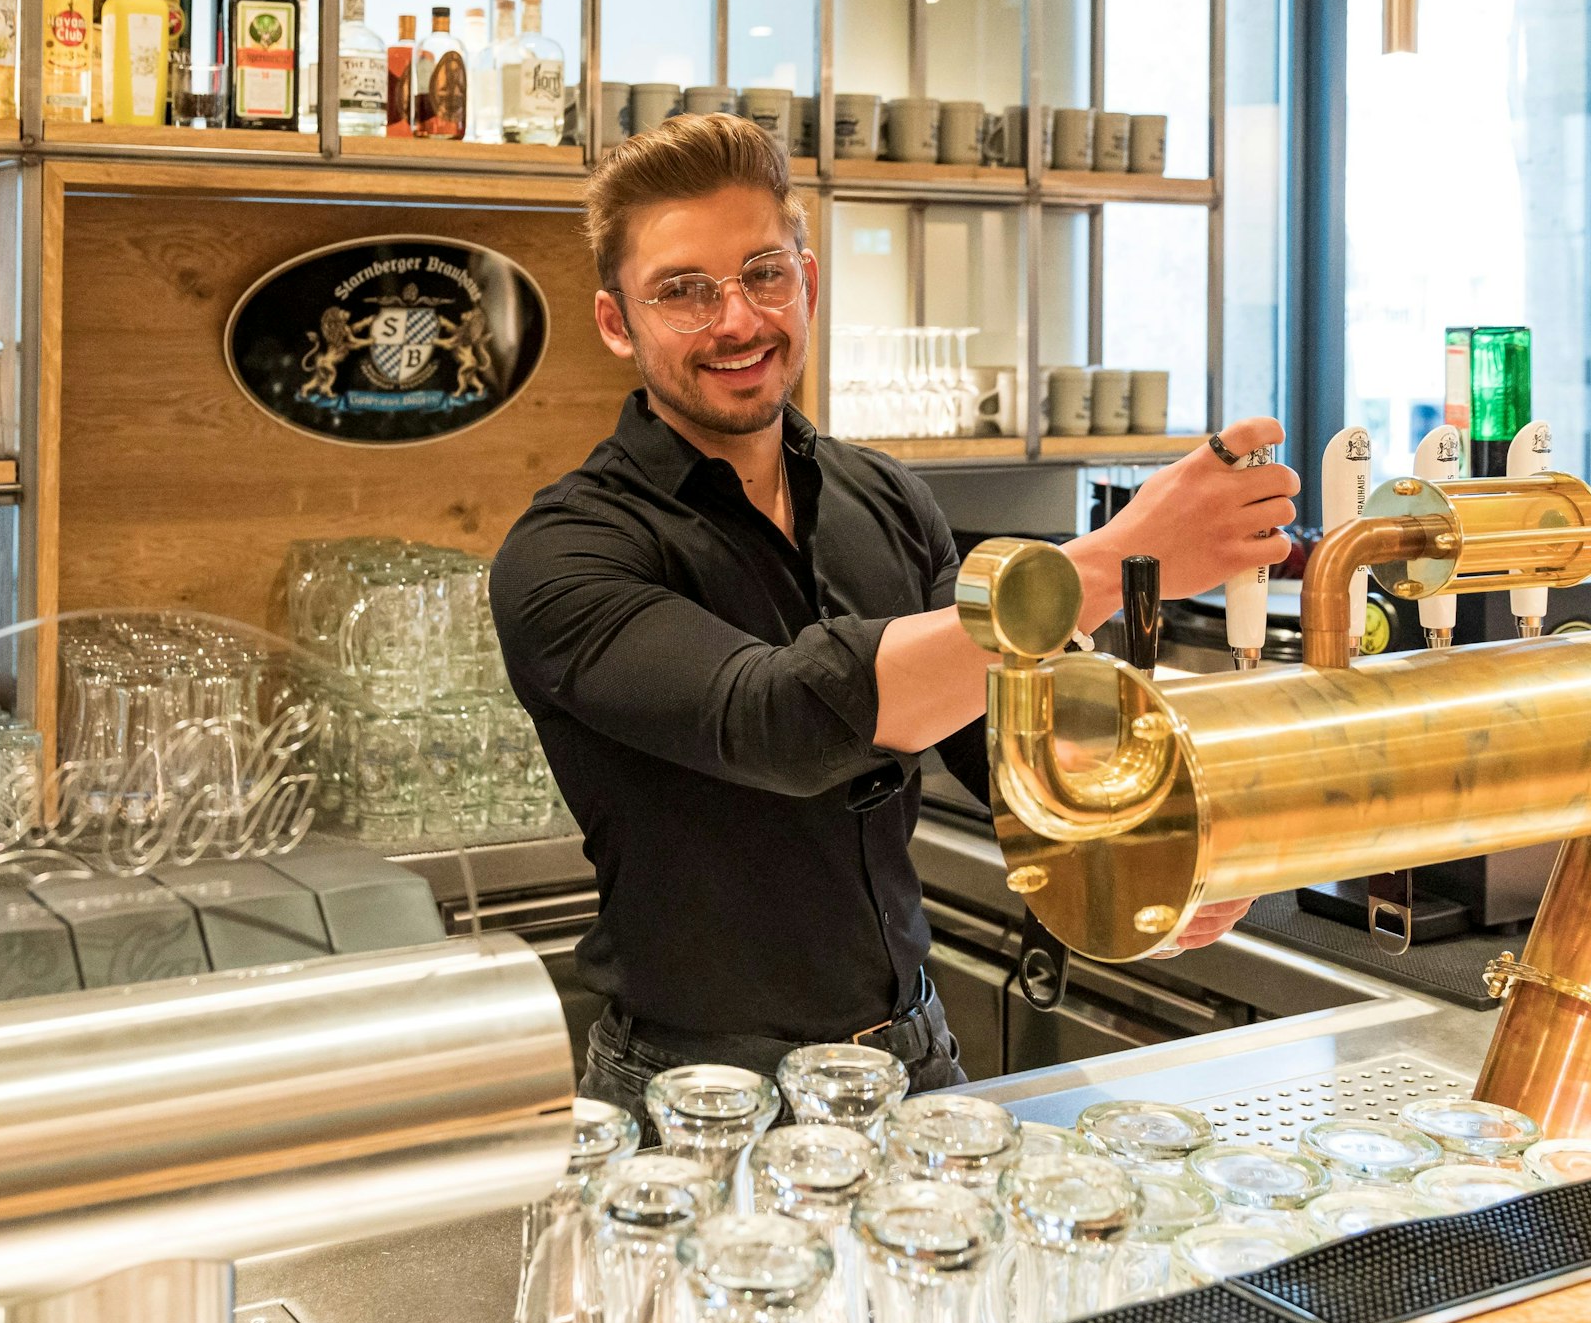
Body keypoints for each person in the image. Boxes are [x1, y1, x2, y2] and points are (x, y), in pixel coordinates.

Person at [489, 113, 1299, 1134]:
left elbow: (999, 748)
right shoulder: (565, 552)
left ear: (809, 285)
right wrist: (1100, 566)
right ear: (617, 323)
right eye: (684, 292)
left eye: (762, 275)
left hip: (914, 1059)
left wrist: (1138, 864)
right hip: (697, 1093)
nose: (736, 321)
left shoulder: (885, 501)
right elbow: (778, 720)